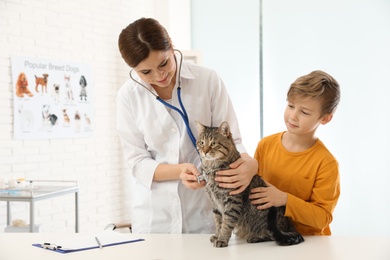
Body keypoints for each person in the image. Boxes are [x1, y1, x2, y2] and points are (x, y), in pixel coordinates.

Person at [116, 17, 258, 234]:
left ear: (172, 46)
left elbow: (234, 141)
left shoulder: (208, 80)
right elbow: (137, 162)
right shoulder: (128, 96)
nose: (159, 76)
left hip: (204, 215)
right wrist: (179, 171)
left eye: (164, 63)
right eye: (146, 72)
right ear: (134, 69)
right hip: (155, 219)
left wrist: (249, 164)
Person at [249, 70, 341, 235]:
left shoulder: (326, 163)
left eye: (304, 112)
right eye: (290, 105)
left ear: (325, 118)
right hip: (270, 238)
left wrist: (284, 199)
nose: (293, 115)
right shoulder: (265, 145)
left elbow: (323, 218)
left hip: (309, 244)